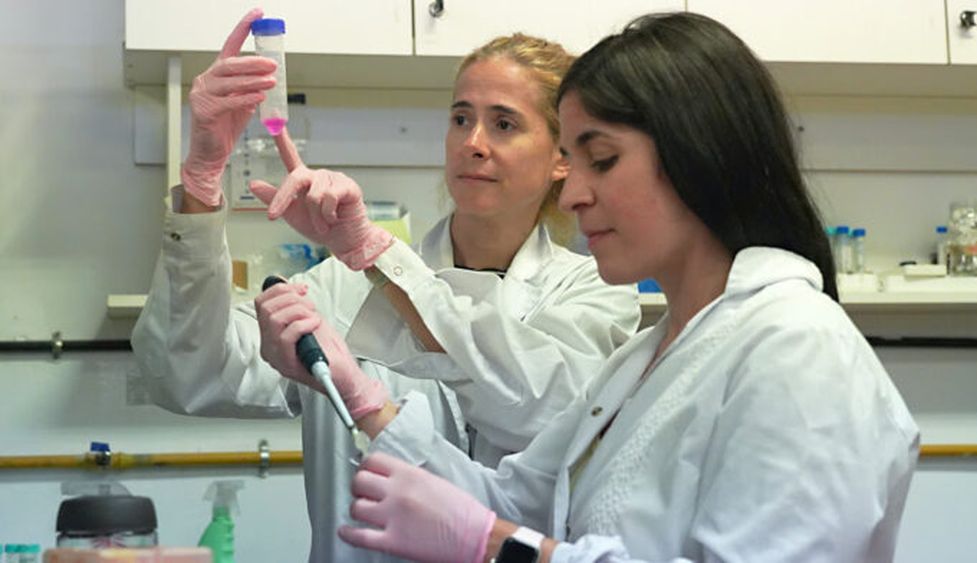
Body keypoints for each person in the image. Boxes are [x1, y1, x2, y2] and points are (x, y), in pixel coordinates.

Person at [255, 12, 920, 563]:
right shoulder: (648, 358)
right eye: (572, 160)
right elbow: (517, 498)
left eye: (600, 159)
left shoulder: (797, 346)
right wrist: (361, 396)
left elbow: (501, 523)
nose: (572, 193)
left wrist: (493, 547)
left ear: (700, 153)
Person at [130, 8, 640, 563]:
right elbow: (189, 374)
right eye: (460, 118)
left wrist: (376, 254)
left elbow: (545, 410)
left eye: (504, 124)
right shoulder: (344, 285)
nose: (473, 142)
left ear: (562, 157)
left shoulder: (595, 291)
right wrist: (202, 181)